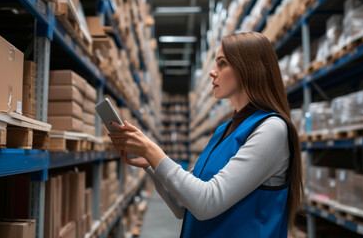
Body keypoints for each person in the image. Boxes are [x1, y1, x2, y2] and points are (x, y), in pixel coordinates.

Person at [108, 32, 304, 238]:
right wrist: (150, 164)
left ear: (248, 68)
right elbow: (184, 205)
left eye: (222, 63)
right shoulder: (224, 131)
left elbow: (206, 202)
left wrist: (152, 150)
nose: (212, 72)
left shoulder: (271, 129)